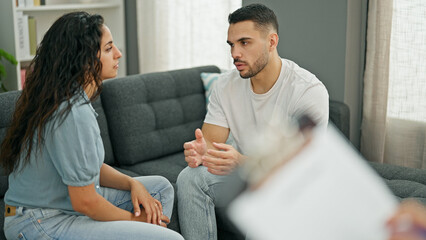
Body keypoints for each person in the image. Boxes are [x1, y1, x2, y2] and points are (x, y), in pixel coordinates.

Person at [0, 12, 183, 240]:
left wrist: (131, 183)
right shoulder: (71, 113)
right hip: (40, 222)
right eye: (108, 49)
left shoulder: (72, 99)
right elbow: (85, 201)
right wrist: (135, 222)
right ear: (84, 60)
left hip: (63, 206)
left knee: (159, 188)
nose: (118, 54)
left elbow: (89, 167)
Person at [176, 3, 329, 240]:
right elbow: (210, 145)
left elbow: (299, 169)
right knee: (189, 178)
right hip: (246, 173)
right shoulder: (225, 86)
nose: (234, 53)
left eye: (244, 43)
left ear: (271, 42)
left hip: (290, 184)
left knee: (266, 204)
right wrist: (201, 152)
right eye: (231, 45)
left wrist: (242, 163)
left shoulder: (307, 91)